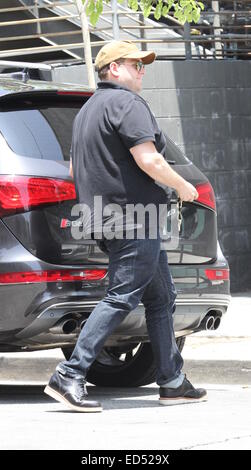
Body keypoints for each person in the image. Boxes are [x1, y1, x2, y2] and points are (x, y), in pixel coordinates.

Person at [44, 40, 207, 412]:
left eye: (143, 65)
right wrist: (184, 188)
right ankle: (70, 373)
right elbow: (149, 159)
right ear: (113, 68)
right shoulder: (128, 104)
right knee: (122, 295)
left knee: (161, 297)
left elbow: (74, 171)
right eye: (136, 64)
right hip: (133, 219)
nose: (142, 70)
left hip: (104, 218)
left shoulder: (87, 111)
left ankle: (171, 380)